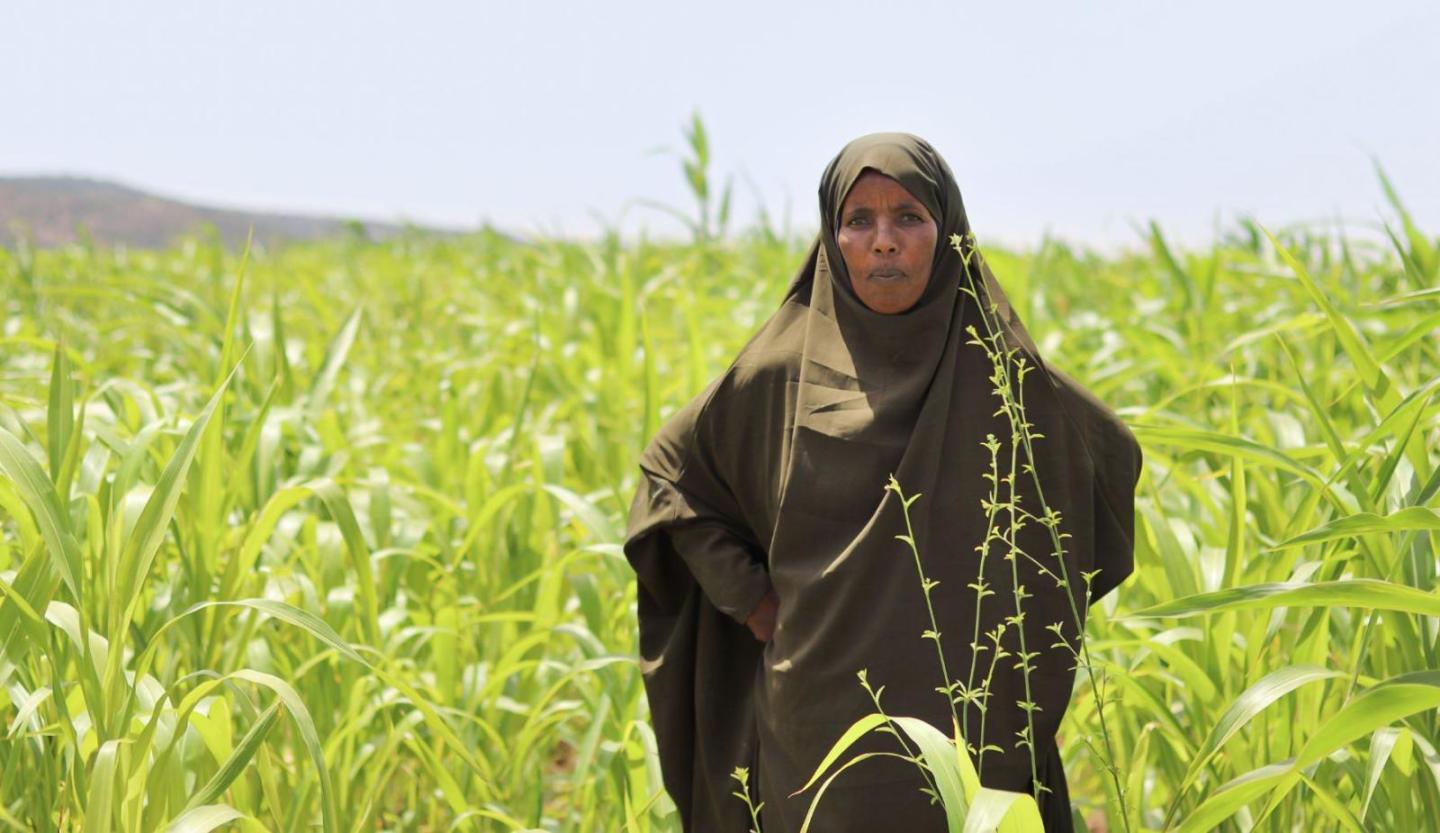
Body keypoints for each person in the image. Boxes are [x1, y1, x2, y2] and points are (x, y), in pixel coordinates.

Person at [624, 132, 1143, 832]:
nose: (883, 241)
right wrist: (750, 598)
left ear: (948, 230)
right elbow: (671, 479)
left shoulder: (1004, 378)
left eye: (908, 217)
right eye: (858, 220)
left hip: (974, 736)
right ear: (832, 239)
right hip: (815, 733)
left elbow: (1108, 459)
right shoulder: (779, 375)